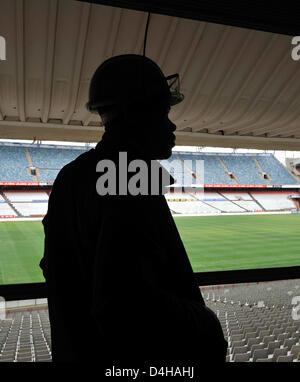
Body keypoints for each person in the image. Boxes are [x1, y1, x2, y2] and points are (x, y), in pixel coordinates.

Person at [40, 54, 227, 363]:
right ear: (137, 113)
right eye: (163, 110)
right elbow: (125, 306)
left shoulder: (70, 177)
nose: (171, 123)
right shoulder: (129, 180)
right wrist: (206, 324)